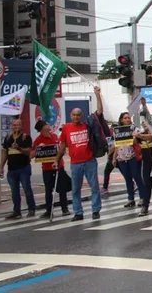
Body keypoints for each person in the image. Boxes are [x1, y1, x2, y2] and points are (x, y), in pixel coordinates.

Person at [56, 86, 104, 221]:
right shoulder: (66, 128)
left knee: (94, 186)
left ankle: (95, 210)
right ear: (70, 116)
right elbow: (62, 145)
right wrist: (57, 159)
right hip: (75, 163)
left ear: (81, 116)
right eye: (74, 115)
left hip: (89, 161)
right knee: (75, 189)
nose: (76, 117)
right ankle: (78, 212)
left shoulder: (88, 124)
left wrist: (97, 95)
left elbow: (99, 112)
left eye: (78, 115)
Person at [31, 120, 70, 218]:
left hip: (59, 166)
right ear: (43, 128)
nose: (49, 126)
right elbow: (31, 155)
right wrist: (38, 149)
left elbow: (61, 149)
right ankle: (49, 210)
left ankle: (64, 208)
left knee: (62, 188)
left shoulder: (55, 137)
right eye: (47, 125)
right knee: (48, 190)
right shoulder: (38, 140)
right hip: (47, 168)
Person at [112, 111, 147, 214]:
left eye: (128, 118)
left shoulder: (135, 129)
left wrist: (134, 137)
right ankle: (130, 198)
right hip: (122, 157)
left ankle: (142, 197)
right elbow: (116, 145)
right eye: (125, 118)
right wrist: (114, 158)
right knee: (127, 178)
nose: (127, 119)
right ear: (121, 120)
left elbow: (138, 141)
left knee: (137, 176)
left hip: (133, 156)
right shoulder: (118, 131)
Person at [0, 117, 36, 219]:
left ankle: (31, 208)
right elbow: (5, 153)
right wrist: (1, 167)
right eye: (14, 125)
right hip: (11, 169)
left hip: (23, 168)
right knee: (14, 192)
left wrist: (19, 148)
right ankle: (17, 211)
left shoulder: (26, 138)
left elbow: (28, 151)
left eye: (18, 125)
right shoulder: (8, 138)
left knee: (27, 189)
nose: (16, 127)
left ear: (22, 126)